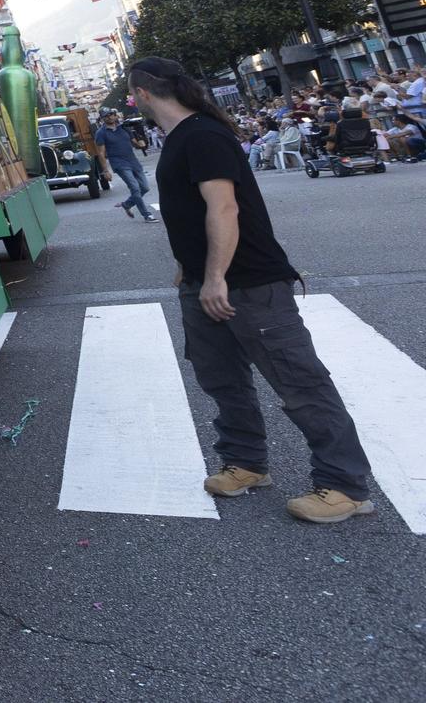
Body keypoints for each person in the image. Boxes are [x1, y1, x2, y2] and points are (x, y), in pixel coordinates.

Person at [128, 58, 375, 524]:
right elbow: (188, 212)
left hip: (249, 283)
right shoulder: (184, 136)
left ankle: (345, 485)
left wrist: (217, 276)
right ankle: (246, 462)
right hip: (206, 282)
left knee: (300, 382)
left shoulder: (202, 134)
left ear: (141, 94)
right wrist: (190, 268)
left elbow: (224, 209)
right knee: (221, 378)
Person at [95, 109, 156, 221]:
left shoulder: (124, 128)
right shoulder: (101, 133)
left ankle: (127, 204)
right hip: (119, 164)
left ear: (115, 115)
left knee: (145, 188)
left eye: (111, 115)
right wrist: (105, 170)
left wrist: (142, 144)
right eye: (106, 116)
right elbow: (101, 153)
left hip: (133, 161)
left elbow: (136, 144)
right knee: (135, 188)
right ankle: (146, 215)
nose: (109, 117)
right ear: (102, 118)